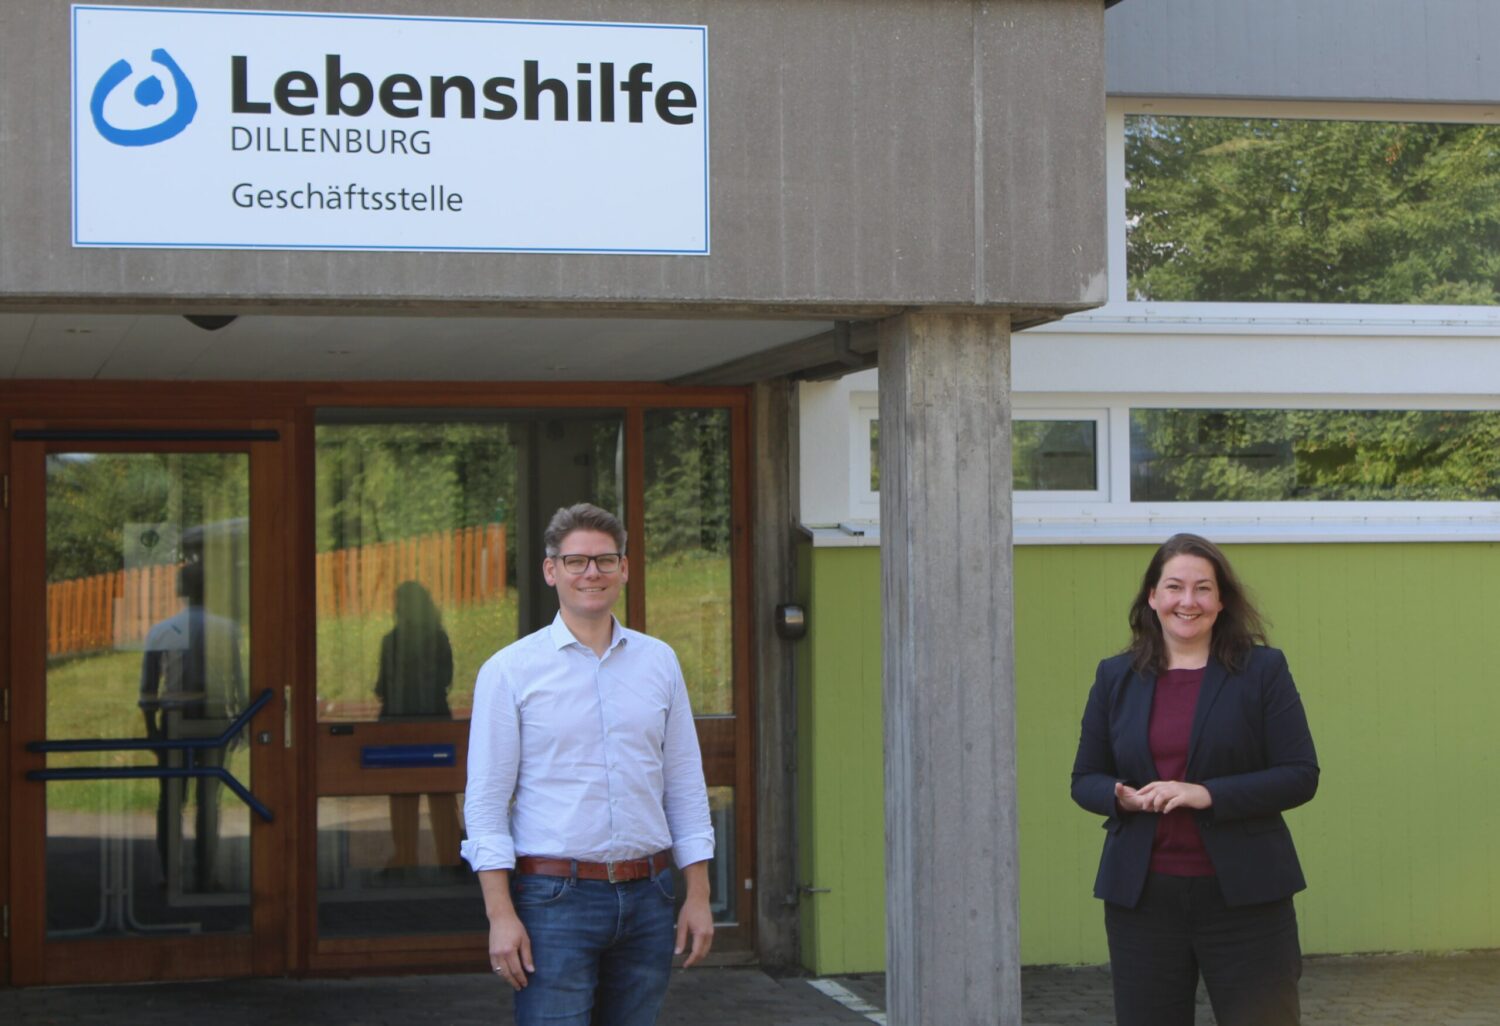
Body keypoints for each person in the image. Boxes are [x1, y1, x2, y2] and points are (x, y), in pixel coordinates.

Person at [462, 502, 715, 1026]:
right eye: (576, 561)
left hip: (650, 896)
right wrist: (499, 913)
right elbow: (486, 802)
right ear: (551, 570)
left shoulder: (658, 662)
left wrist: (699, 894)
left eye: (605, 560)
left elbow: (685, 785)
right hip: (554, 902)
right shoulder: (509, 672)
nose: (591, 573)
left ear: (624, 568)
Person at [1071, 533, 1319, 1026]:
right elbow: (1085, 778)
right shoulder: (1114, 676)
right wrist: (1119, 797)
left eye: (1203, 588)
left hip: (1246, 899)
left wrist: (1205, 794)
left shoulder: (1263, 670)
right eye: (1175, 587)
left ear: (1222, 599)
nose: (1189, 601)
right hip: (1143, 902)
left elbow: (1300, 775)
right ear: (1153, 596)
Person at [139, 558, 245, 890]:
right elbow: (236, 680)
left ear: (180, 590)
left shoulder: (161, 631)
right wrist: (240, 721)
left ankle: (171, 874)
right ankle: (206, 874)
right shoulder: (225, 629)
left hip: (175, 720)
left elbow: (148, 689)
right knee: (208, 801)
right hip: (215, 721)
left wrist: (152, 730)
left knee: (171, 799)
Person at [375, 580, 460, 868]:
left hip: (397, 723)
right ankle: (449, 857)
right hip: (436, 719)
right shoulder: (439, 638)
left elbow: (381, 686)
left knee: (402, 793)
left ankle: (405, 858)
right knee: (442, 794)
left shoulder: (391, 641)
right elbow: (446, 679)